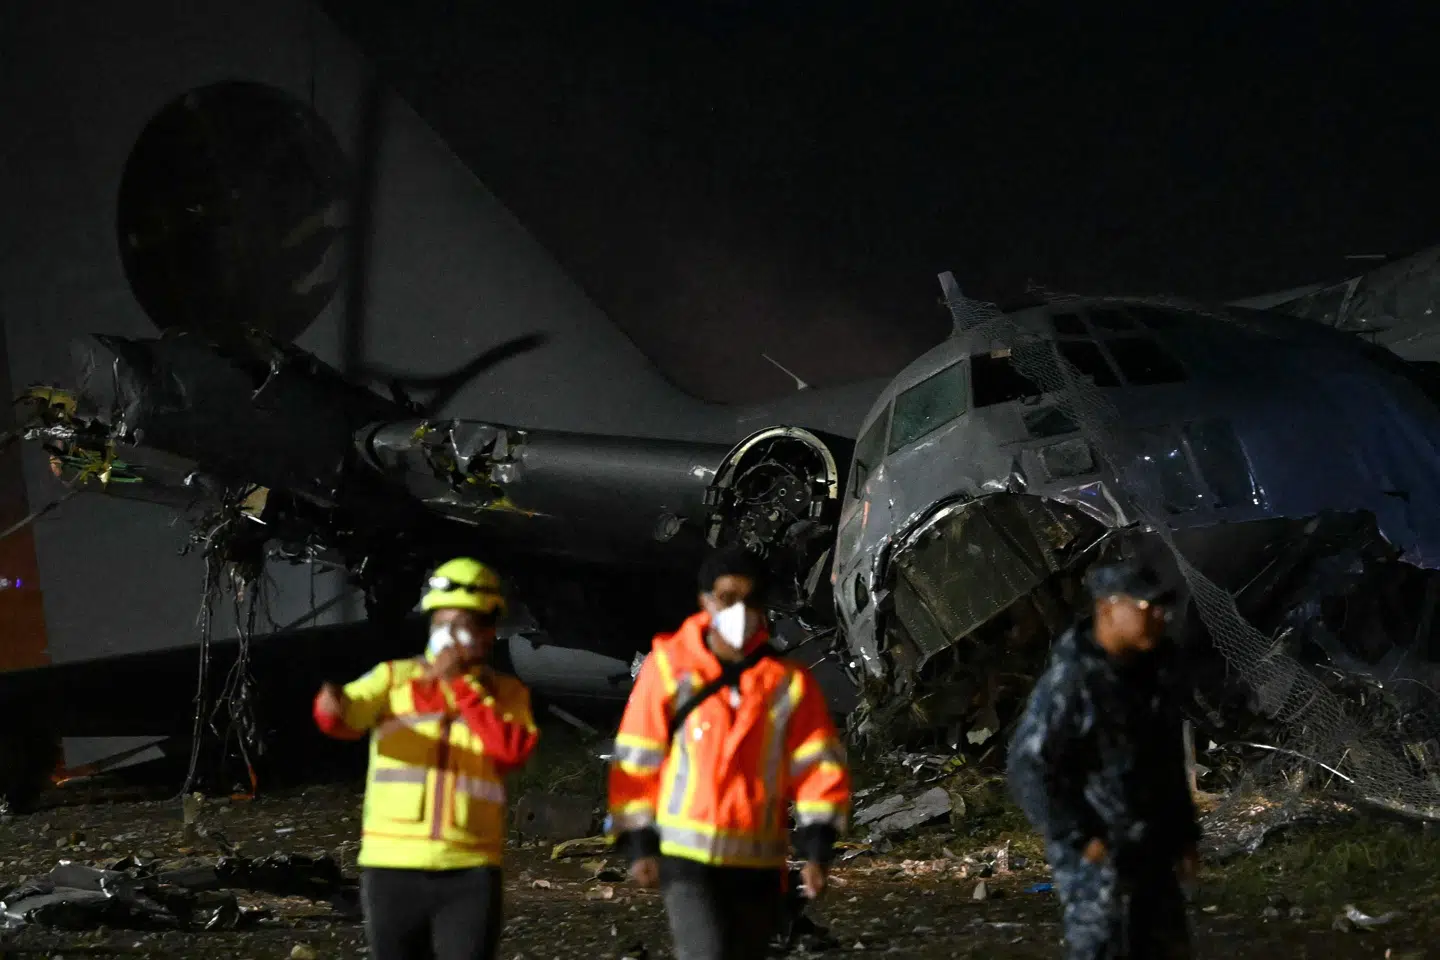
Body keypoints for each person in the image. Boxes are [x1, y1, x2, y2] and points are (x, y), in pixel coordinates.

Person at [608, 545, 852, 960]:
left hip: (758, 863)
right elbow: (637, 759)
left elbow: (818, 771)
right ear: (705, 601)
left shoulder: (787, 684)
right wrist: (639, 844)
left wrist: (816, 851)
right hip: (686, 857)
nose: (739, 610)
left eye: (750, 600)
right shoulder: (668, 669)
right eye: (727, 598)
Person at [313, 557, 539, 960]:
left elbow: (513, 749)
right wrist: (331, 705)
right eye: (442, 622)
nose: (449, 635)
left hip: (469, 868)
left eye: (463, 624)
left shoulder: (506, 694)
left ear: (488, 632)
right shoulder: (393, 678)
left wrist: (463, 689)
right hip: (391, 868)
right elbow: (345, 718)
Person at [1006, 559, 1200, 960]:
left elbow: (1166, 759)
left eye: (1163, 608)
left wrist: (1183, 833)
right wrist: (1080, 836)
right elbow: (1029, 766)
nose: (1160, 617)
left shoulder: (1157, 673)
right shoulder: (1074, 680)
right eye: (1147, 608)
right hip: (1102, 858)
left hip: (1153, 849)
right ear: (1109, 609)